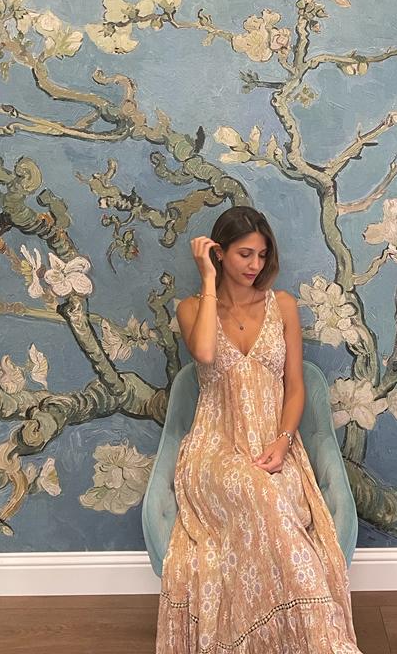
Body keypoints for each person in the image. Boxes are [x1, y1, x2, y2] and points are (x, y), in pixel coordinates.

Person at [155, 204, 363, 653]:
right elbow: (205, 354)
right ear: (220, 253)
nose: (255, 265)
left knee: (273, 496)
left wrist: (283, 441)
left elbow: (295, 386)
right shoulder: (191, 308)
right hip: (214, 449)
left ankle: (302, 639)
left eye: (262, 255)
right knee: (260, 492)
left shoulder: (282, 305)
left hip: (274, 443)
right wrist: (207, 280)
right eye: (244, 254)